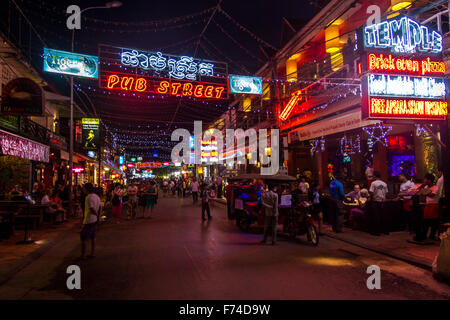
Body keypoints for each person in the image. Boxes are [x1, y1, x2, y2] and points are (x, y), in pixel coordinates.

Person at [80, 183, 101, 260]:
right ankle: (92, 253)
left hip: (89, 220)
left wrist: (97, 216)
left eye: (84, 188)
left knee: (83, 238)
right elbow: (100, 207)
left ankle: (83, 255)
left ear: (86, 189)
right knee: (93, 237)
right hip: (94, 220)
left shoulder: (88, 197)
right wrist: (98, 217)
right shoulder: (97, 197)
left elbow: (92, 209)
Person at [419, 173, 440, 240]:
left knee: (433, 222)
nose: (424, 180)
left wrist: (424, 192)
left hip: (434, 205)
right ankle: (424, 235)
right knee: (425, 221)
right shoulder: (426, 187)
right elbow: (423, 194)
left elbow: (432, 195)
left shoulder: (436, 187)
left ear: (429, 180)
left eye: (425, 179)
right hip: (427, 205)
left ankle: (432, 236)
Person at [369, 171, 389, 235]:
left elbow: (371, 192)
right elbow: (386, 192)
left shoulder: (373, 183)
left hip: (376, 201)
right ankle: (385, 231)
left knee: (376, 216)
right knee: (383, 216)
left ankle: (376, 232)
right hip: (383, 201)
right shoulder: (384, 183)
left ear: (375, 176)